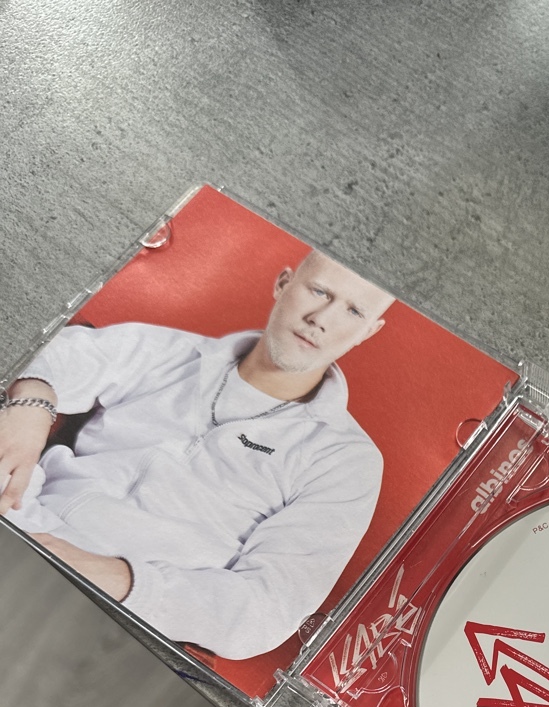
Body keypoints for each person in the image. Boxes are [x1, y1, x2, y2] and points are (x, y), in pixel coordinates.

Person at [0, 253, 394, 661]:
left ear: (368, 331)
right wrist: (33, 400)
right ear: (283, 284)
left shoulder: (346, 459)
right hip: (24, 529)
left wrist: (114, 579)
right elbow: (53, 351)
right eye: (320, 291)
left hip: (124, 620)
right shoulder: (170, 351)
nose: (321, 319)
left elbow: (267, 610)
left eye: (353, 310)